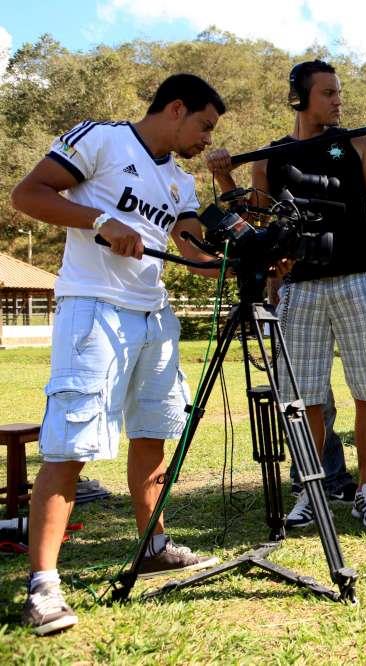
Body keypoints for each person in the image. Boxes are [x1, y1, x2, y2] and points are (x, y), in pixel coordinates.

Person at [11, 74, 228, 635]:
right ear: (175, 109)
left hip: (153, 315)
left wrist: (254, 258)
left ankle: (153, 544)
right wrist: (101, 221)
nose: (206, 139)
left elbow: (196, 252)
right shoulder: (102, 141)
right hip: (94, 308)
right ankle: (43, 586)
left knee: (154, 432)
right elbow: (28, 193)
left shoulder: (180, 182)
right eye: (203, 125)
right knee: (70, 443)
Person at [207, 60, 366, 529]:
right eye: (328, 93)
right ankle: (310, 489)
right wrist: (223, 180)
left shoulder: (354, 140)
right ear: (300, 98)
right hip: (299, 287)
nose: (338, 101)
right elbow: (259, 221)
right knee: (307, 396)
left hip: (359, 277)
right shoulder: (272, 156)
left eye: (339, 92)